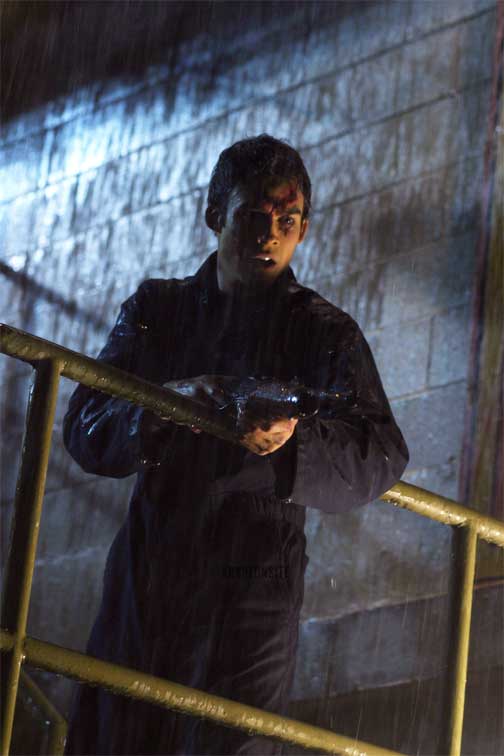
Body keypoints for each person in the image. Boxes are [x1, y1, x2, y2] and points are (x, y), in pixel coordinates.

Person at [63, 134, 409, 755]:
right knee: (122, 737)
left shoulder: (323, 332)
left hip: (256, 579)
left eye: (286, 221)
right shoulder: (158, 310)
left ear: (303, 231)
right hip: (154, 567)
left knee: (231, 743)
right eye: (252, 216)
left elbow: (381, 450)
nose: (269, 235)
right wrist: (162, 408)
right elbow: (84, 424)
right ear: (215, 215)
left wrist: (293, 443)